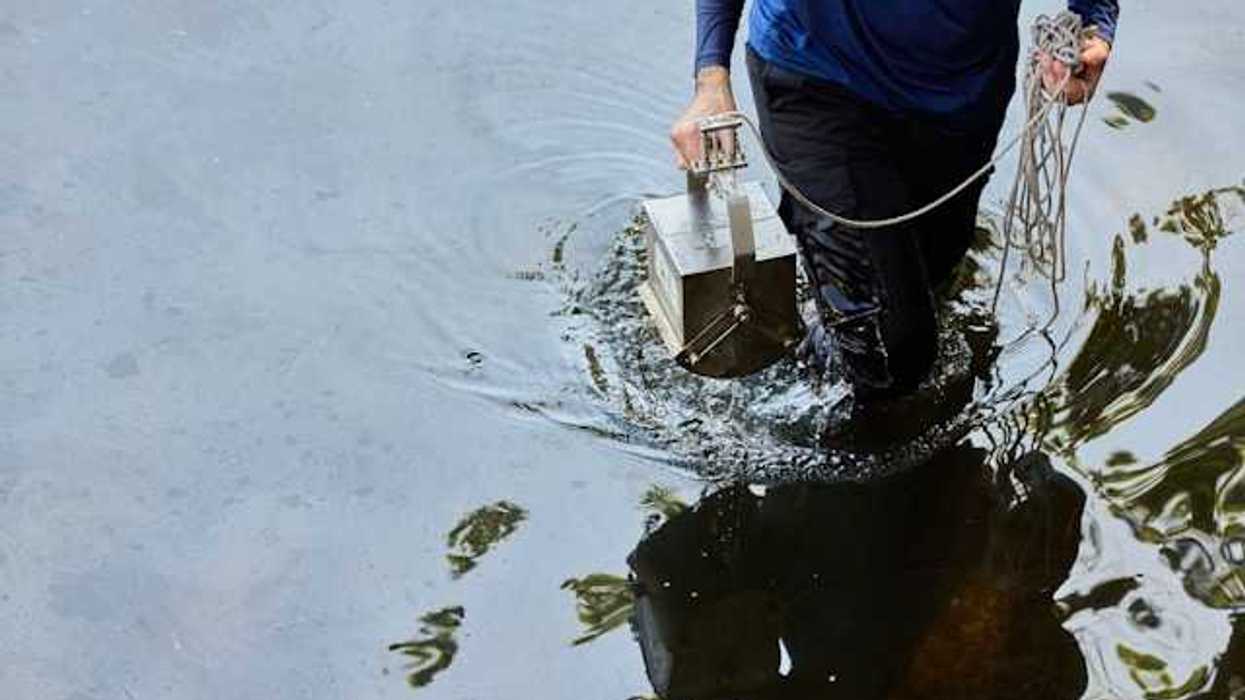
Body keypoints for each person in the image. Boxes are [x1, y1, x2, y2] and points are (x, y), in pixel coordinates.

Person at [670, 0, 1119, 405]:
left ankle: (823, 322)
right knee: (894, 350)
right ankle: (846, 470)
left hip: (961, 99)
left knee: (931, 287)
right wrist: (711, 78)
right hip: (817, 77)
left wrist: (1093, 22)